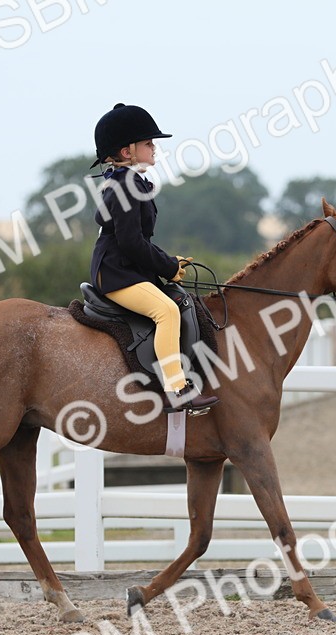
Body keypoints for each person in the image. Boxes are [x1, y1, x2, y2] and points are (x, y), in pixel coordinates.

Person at [88, 103, 217, 412]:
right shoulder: (126, 185)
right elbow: (131, 243)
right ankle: (177, 390)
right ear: (126, 151)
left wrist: (169, 261)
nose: (154, 148)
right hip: (117, 273)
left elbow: (137, 241)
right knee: (166, 311)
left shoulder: (129, 182)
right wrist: (167, 265)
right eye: (148, 143)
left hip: (125, 269)